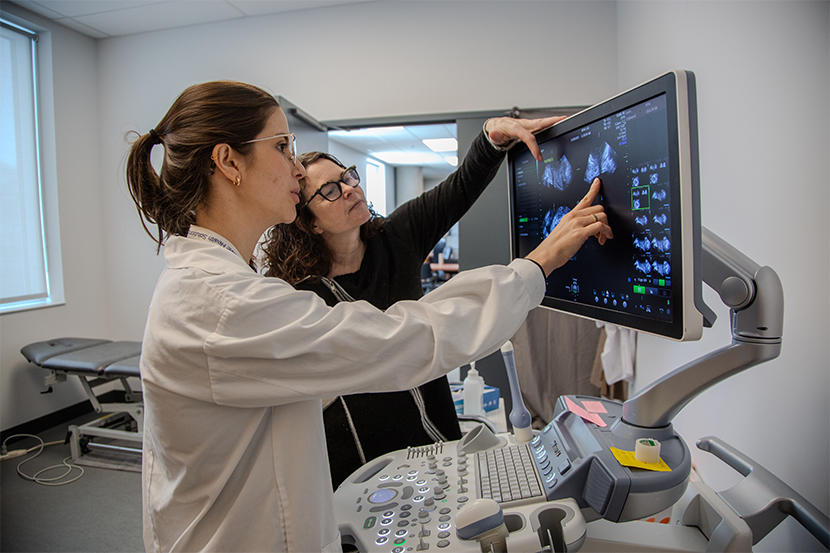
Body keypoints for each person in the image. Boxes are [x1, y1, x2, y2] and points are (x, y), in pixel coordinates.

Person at [126, 80, 611, 553]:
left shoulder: (229, 283)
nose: (296, 170)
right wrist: (536, 265)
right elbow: (401, 340)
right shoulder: (223, 304)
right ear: (229, 161)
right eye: (281, 147)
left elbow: (404, 319)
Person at [261, 115, 565, 490]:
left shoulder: (394, 237)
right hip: (360, 464)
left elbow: (459, 189)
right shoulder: (302, 295)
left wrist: (490, 139)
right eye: (330, 191)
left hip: (436, 437)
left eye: (348, 177)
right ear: (309, 223)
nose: (350, 190)